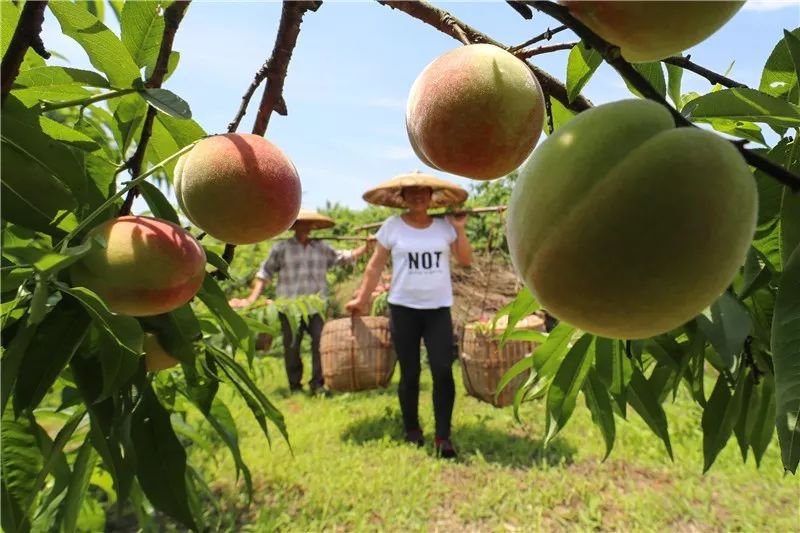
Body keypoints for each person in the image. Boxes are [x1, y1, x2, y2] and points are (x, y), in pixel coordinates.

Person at [346, 171, 472, 458]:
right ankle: (412, 428)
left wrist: (460, 229)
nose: (417, 196)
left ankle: (443, 436)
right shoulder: (392, 227)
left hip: (438, 309)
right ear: (401, 198)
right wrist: (362, 300)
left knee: (442, 369)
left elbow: (465, 260)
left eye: (423, 191)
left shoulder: (444, 228)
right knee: (410, 371)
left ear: (431, 197)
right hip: (403, 309)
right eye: (411, 192)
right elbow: (375, 266)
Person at [229, 209, 372, 394]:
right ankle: (295, 385)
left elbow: (343, 257)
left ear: (312, 226)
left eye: (307, 224)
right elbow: (264, 274)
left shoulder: (321, 248)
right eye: (299, 224)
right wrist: (252, 299)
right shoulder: (281, 248)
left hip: (316, 307)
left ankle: (318, 384)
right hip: (290, 308)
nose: (303, 227)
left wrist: (366, 248)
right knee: (292, 347)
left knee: (320, 344)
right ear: (293, 226)